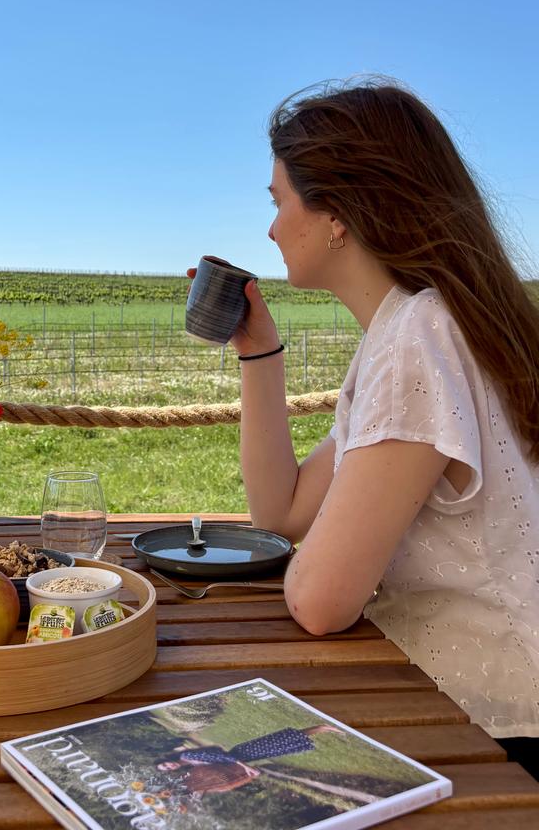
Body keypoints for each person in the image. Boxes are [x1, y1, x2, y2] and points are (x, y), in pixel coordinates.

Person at [192, 80, 539, 776]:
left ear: (337, 215)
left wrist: (327, 561)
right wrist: (260, 353)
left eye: (279, 201)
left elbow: (320, 600)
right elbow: (283, 511)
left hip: (496, 733)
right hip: (451, 703)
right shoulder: (417, 329)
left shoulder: (419, 336)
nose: (269, 227)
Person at [155, 725, 341, 796]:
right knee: (282, 743)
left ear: (167, 759)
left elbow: (224, 757)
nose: (168, 766)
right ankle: (321, 729)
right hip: (244, 756)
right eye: (166, 769)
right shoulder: (189, 764)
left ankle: (323, 728)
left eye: (165, 764)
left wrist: (246, 768)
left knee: (281, 741)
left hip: (242, 754)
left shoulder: (188, 757)